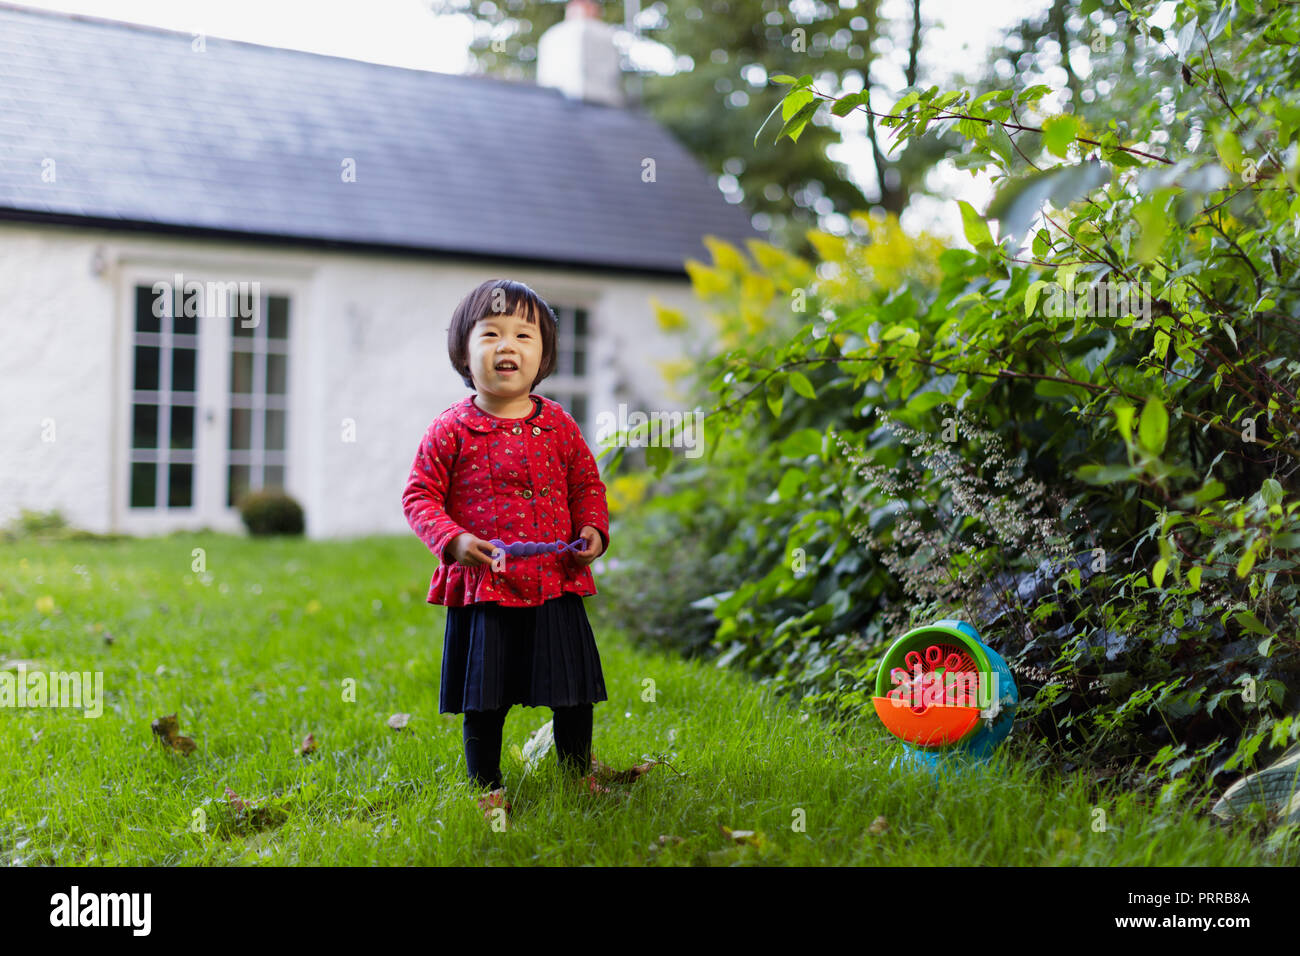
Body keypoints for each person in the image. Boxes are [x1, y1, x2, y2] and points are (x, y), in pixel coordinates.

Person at [401, 278, 612, 816]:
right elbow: (419, 496)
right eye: (490, 333)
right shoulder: (451, 429)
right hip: (485, 588)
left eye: (524, 334)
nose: (506, 346)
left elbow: (587, 484)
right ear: (463, 351)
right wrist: (453, 539)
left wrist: (592, 528)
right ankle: (486, 786)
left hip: (555, 578)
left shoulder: (559, 425)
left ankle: (575, 771)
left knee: (573, 688)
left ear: (543, 355)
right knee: (484, 694)